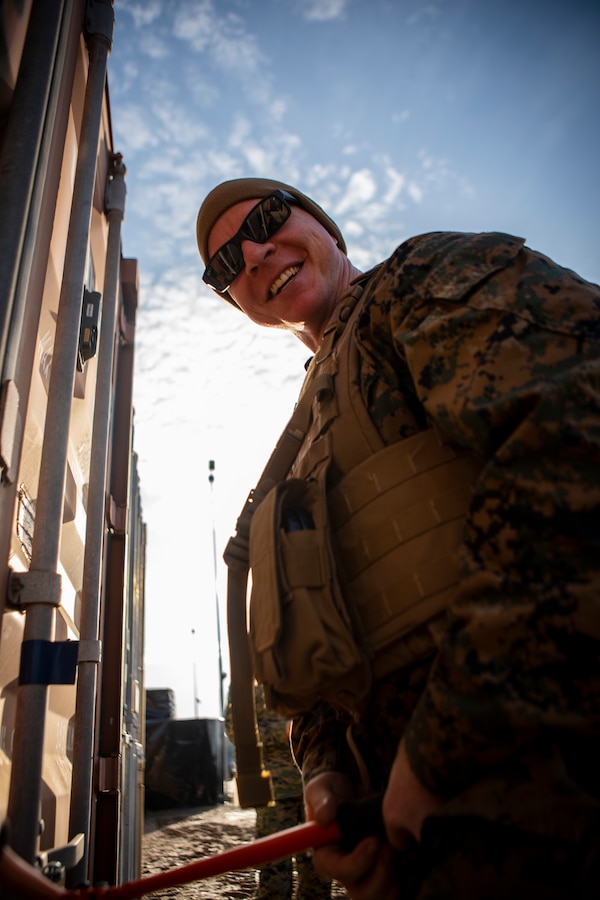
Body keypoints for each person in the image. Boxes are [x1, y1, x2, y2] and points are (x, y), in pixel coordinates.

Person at [197, 177, 600, 899]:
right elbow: (322, 630)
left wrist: (443, 747)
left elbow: (575, 442)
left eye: (265, 220)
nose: (253, 255)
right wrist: (328, 774)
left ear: (321, 222)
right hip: (413, 842)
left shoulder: (423, 281)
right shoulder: (304, 434)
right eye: (225, 265)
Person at [226, 684, 332, 900]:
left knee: (318, 877)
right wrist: (282, 731)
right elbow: (234, 727)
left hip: (315, 784)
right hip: (275, 791)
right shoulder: (252, 678)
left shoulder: (313, 673)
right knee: (274, 875)